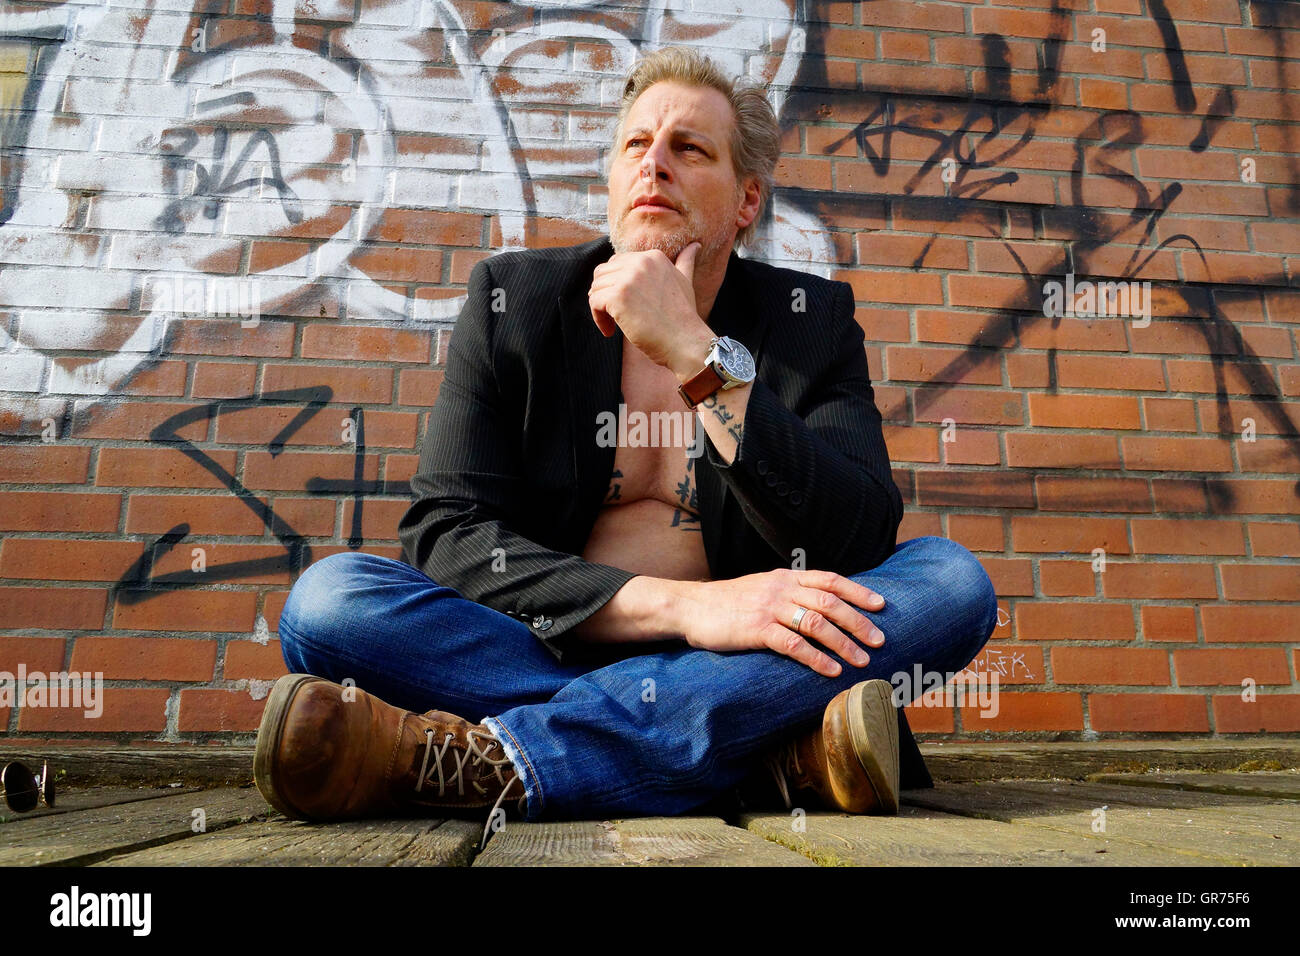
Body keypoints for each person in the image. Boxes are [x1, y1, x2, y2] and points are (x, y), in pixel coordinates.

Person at [253, 46, 998, 842]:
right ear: (612, 179)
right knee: (328, 605)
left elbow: (855, 532)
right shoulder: (516, 303)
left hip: (737, 665)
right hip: (553, 650)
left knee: (951, 583)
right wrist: (695, 606)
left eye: (689, 148)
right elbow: (446, 533)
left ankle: (499, 760)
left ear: (747, 201)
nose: (656, 165)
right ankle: (760, 753)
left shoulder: (808, 321)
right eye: (636, 145)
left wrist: (698, 356)